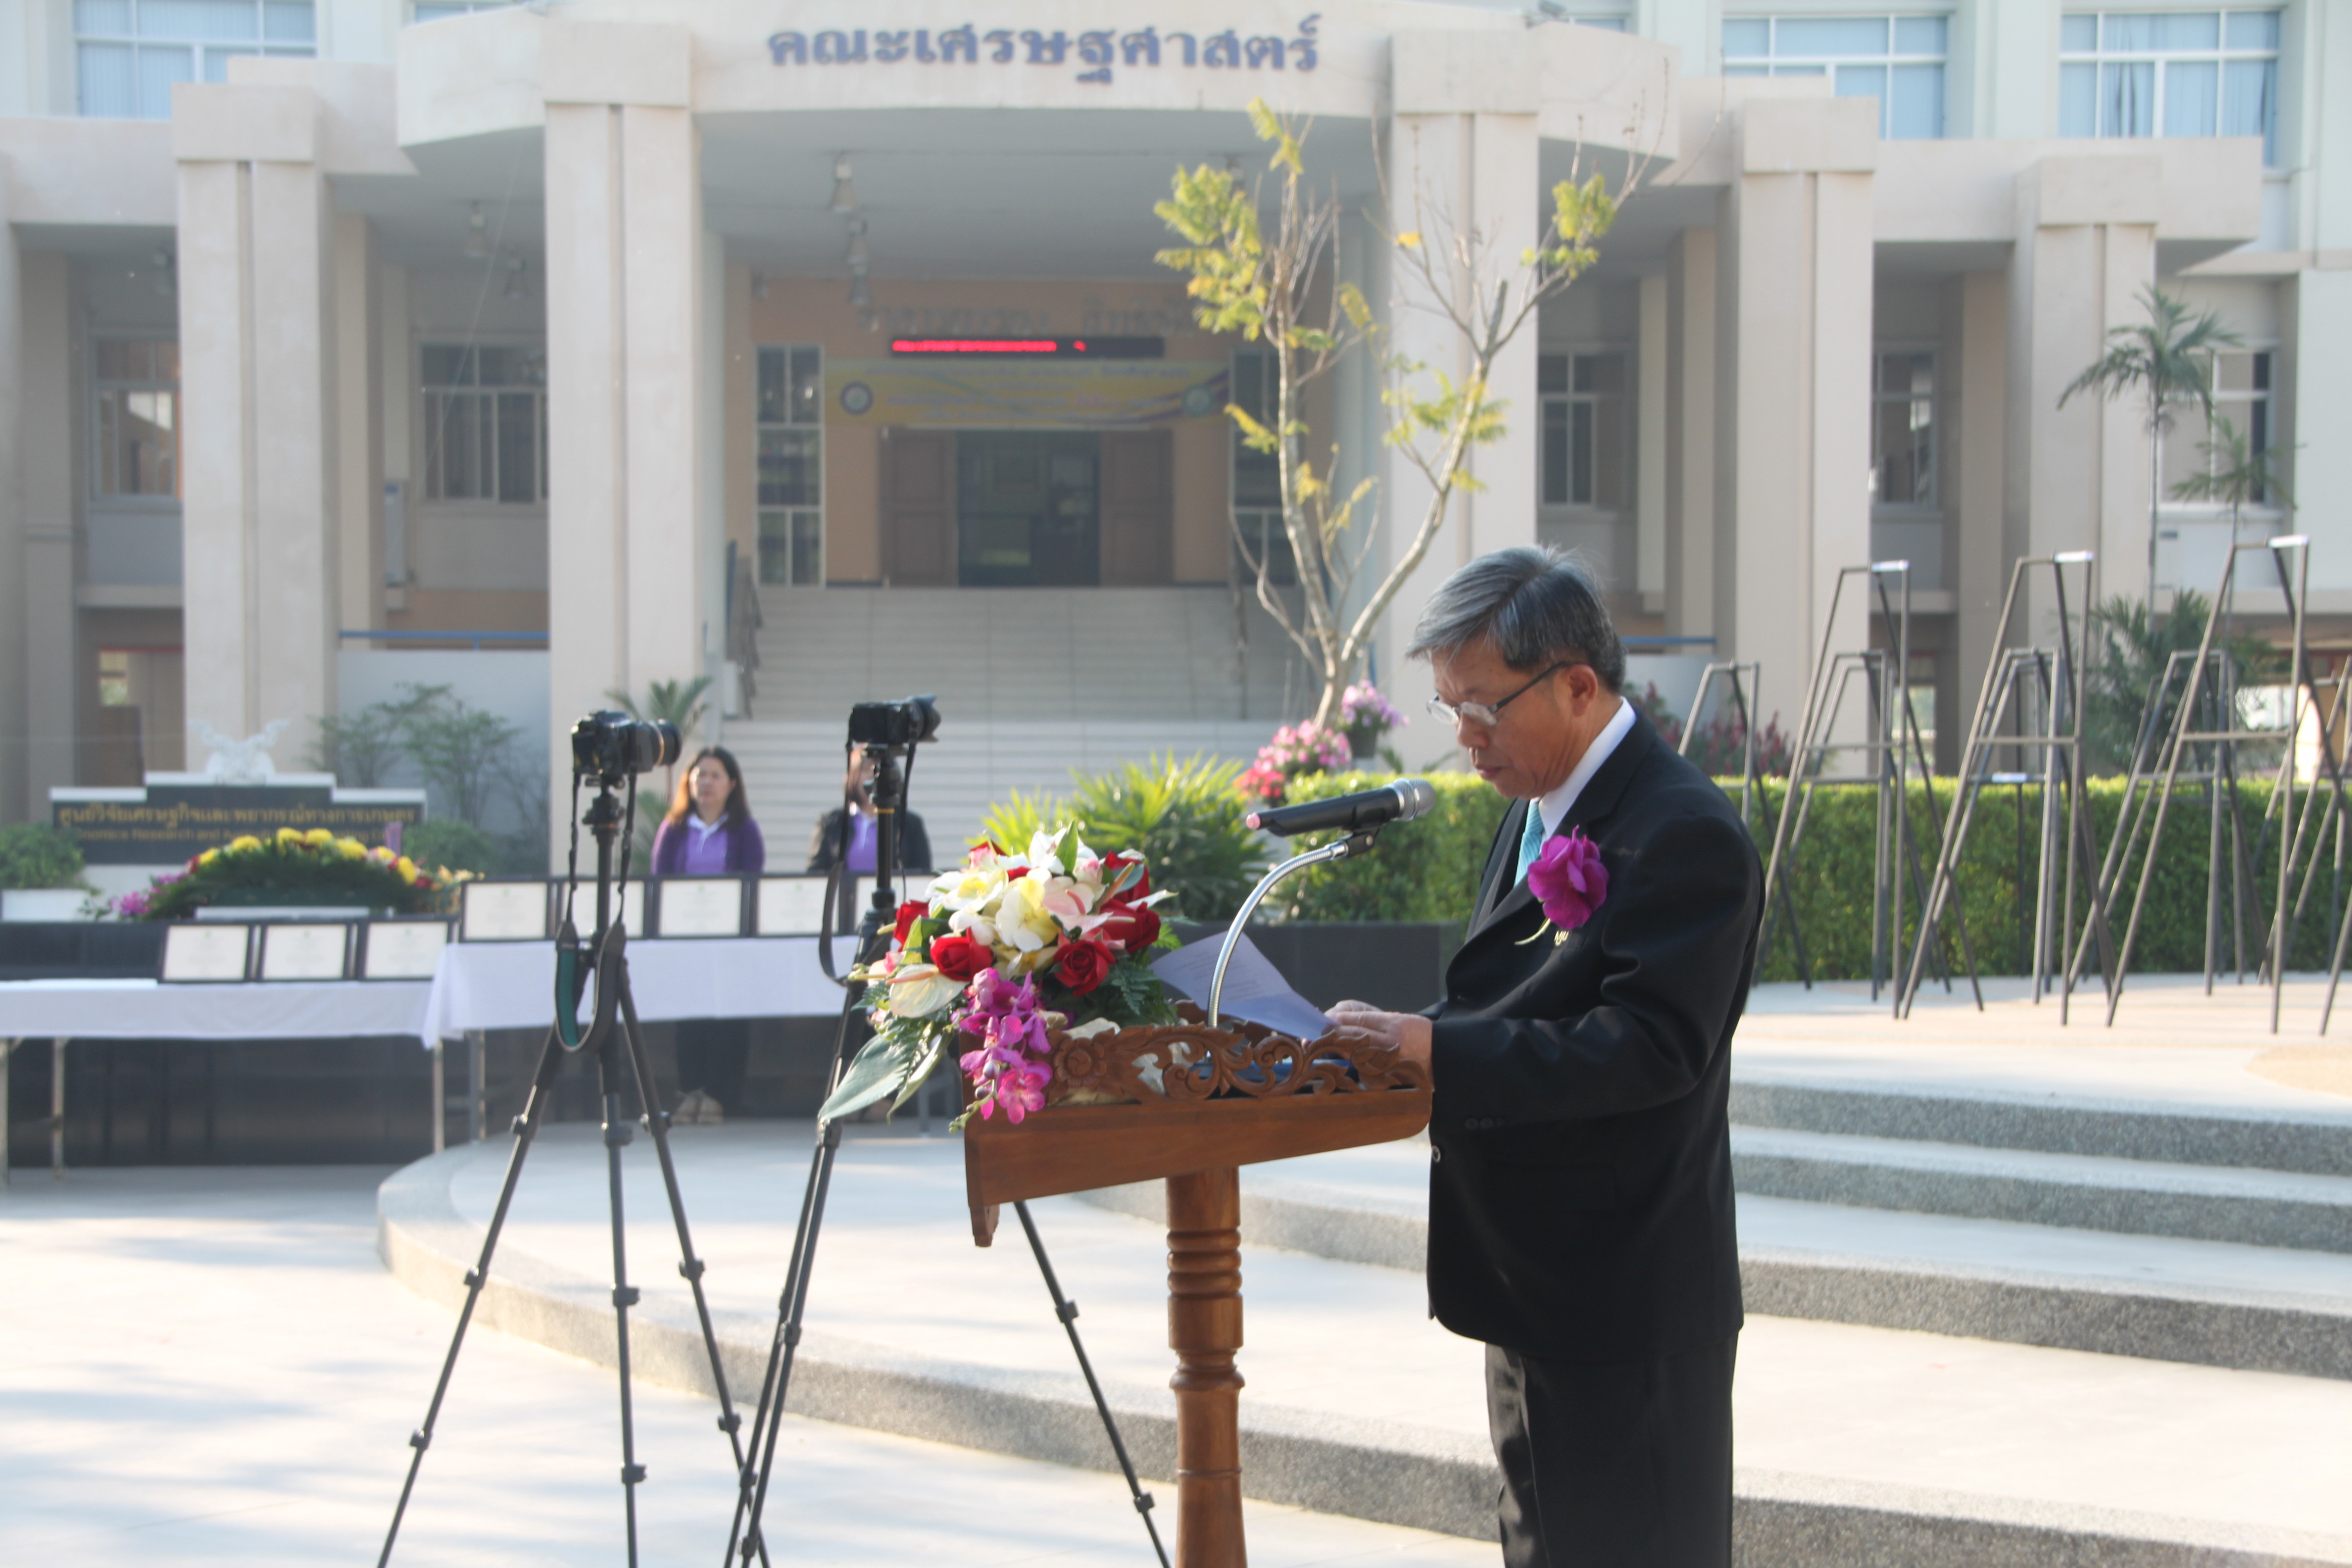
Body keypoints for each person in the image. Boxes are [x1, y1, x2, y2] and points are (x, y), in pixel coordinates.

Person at [1328, 547, 1761, 1568]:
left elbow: (1650, 1047)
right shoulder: (1536, 804)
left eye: (1484, 707)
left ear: (1576, 685)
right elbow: (1513, 1003)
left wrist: (1443, 1050)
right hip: (1532, 1278)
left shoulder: (1682, 829)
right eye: (1450, 709)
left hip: (1625, 1298)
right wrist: (1402, 1038)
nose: (1466, 738)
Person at [650, 746, 766, 1124]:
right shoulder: (674, 828)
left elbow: (752, 881)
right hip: (686, 942)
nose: (707, 783)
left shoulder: (744, 829)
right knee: (689, 1016)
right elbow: (660, 880)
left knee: (727, 1017)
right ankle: (690, 1092)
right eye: (700, 775)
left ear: (732, 784)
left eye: (716, 775)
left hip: (729, 942)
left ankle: (720, 1095)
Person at [806, 743, 933, 930]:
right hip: (843, 920)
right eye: (867, 769)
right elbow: (815, 873)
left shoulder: (910, 823)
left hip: (895, 919)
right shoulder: (831, 823)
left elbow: (922, 873)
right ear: (853, 776)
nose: (873, 775)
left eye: (879, 769)